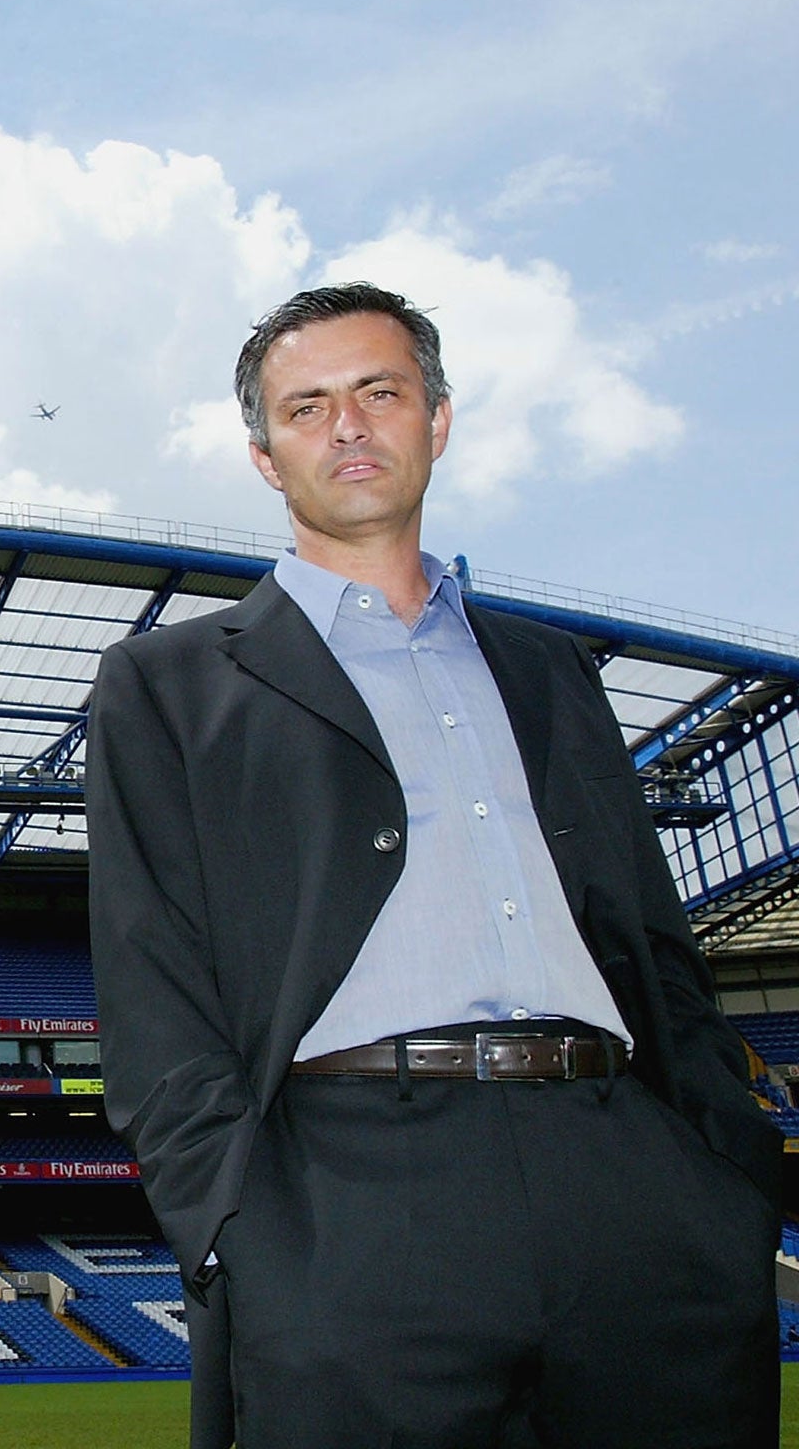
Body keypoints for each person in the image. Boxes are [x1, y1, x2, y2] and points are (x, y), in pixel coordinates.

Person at [85, 282, 780, 1448]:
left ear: (436, 419)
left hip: (631, 1182)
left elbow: (655, 945)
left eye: (379, 391)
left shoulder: (551, 668)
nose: (347, 426)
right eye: (306, 407)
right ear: (263, 457)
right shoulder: (168, 682)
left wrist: (722, 1164)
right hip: (346, 1193)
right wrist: (232, 1220)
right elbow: (147, 969)